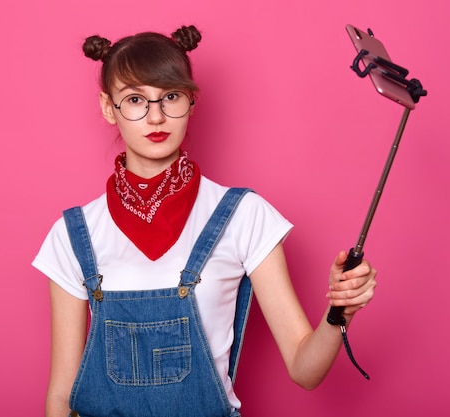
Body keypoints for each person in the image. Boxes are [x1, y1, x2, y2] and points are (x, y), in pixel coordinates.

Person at [33, 25, 377, 417]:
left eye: (171, 97)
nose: (156, 116)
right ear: (108, 107)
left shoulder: (244, 216)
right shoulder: (74, 234)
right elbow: (61, 397)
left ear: (192, 101)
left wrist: (340, 311)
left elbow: (304, 369)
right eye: (134, 100)